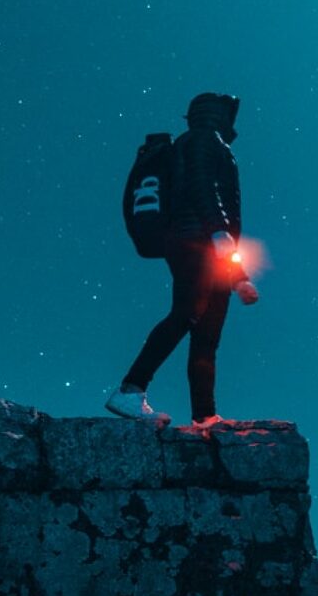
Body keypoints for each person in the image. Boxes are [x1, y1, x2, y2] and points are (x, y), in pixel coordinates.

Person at [105, 92, 259, 427]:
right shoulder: (202, 140)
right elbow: (203, 188)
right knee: (187, 313)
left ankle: (205, 415)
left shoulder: (208, 142)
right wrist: (219, 234)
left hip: (210, 244)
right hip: (196, 241)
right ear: (217, 114)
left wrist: (237, 276)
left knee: (207, 332)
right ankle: (130, 390)